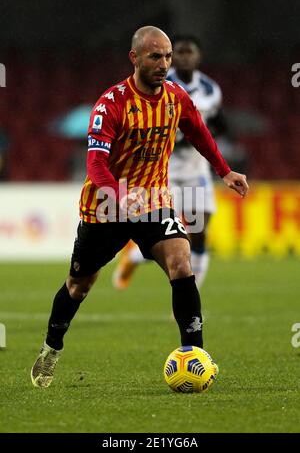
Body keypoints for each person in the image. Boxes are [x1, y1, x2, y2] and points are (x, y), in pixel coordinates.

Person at [31, 26, 248, 388]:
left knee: (181, 260)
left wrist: (224, 171)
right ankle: (51, 349)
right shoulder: (111, 104)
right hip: (106, 207)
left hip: (154, 200)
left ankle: (194, 356)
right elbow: (96, 165)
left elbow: (197, 131)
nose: (164, 64)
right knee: (78, 286)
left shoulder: (176, 97)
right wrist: (119, 195)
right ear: (135, 58)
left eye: (167, 57)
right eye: (155, 57)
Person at [113, 35, 226, 289]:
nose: (185, 57)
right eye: (181, 52)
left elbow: (220, 124)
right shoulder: (162, 81)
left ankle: (190, 298)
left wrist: (201, 138)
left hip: (196, 169)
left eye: (190, 52)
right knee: (163, 234)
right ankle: (132, 258)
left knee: (198, 233)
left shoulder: (211, 89)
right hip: (164, 169)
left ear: (198, 57)